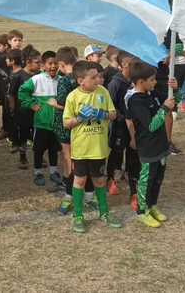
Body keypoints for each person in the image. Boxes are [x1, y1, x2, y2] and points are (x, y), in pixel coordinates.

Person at [62, 60, 121, 232]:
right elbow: (66, 123)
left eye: (98, 77)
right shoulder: (73, 97)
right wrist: (79, 118)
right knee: (79, 180)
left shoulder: (103, 92)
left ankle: (104, 212)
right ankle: (78, 215)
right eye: (93, 77)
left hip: (99, 147)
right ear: (81, 81)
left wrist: (102, 114)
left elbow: (113, 114)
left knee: (99, 180)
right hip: (81, 149)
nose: (98, 80)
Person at [126, 61, 178, 228]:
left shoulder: (153, 93)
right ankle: (142, 211)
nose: (155, 82)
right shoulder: (136, 101)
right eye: (152, 80)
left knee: (157, 179)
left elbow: (173, 100)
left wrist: (175, 88)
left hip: (161, 145)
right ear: (141, 82)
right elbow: (152, 125)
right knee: (146, 180)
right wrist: (163, 108)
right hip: (148, 147)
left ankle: (152, 205)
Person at [52, 47, 96, 214]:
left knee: (71, 159)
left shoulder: (64, 80)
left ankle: (73, 190)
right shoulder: (82, 77)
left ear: (61, 64)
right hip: (84, 125)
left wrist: (52, 103)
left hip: (69, 124)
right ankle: (72, 185)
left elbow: (63, 103)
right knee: (73, 158)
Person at [18, 50, 61, 187]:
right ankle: (37, 173)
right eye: (50, 63)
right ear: (43, 65)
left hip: (56, 124)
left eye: (56, 63)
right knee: (39, 149)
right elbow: (22, 92)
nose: (53, 66)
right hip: (41, 123)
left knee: (54, 149)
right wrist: (31, 104)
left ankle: (54, 172)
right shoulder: (36, 80)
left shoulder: (61, 80)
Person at [107, 51, 138, 206]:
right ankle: (111, 178)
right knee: (116, 152)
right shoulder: (115, 83)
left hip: (133, 125)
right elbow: (110, 105)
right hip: (120, 126)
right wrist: (121, 117)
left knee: (133, 154)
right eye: (134, 62)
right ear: (125, 64)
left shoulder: (135, 81)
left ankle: (134, 189)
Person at [5, 48, 29, 168]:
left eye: (7, 59)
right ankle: (15, 143)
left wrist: (13, 106)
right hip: (13, 105)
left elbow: (12, 93)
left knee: (21, 129)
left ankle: (20, 149)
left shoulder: (20, 75)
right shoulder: (11, 73)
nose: (5, 60)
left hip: (20, 108)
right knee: (13, 125)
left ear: (12, 61)